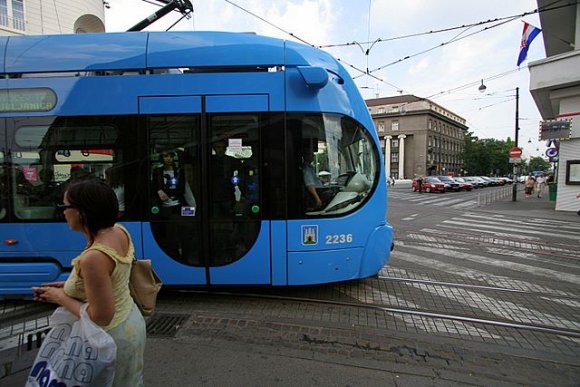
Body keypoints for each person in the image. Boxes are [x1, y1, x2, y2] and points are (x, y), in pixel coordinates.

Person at [32, 179, 145, 386]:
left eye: (65, 207)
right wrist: (68, 288)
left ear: (82, 212)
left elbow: (101, 316)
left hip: (111, 336)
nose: (63, 212)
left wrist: (59, 297)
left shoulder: (94, 257)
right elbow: (112, 278)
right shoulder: (119, 231)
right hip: (131, 323)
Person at [152, 150, 196, 262]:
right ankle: (175, 257)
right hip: (165, 208)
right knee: (170, 237)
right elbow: (154, 186)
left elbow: (181, 189)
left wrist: (165, 192)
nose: (168, 159)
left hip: (178, 206)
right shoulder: (157, 171)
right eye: (165, 156)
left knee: (184, 234)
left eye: (170, 156)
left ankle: (184, 258)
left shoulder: (179, 172)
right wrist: (158, 191)